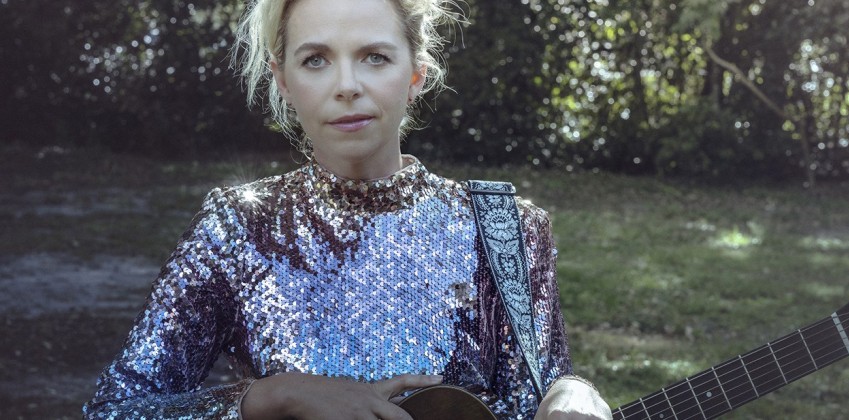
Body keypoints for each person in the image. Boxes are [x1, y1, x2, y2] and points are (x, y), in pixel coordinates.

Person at [83, 0, 613, 418]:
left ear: (416, 74)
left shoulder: (505, 228)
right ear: (284, 81)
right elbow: (117, 409)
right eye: (316, 60)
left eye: (374, 57)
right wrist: (277, 396)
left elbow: (538, 400)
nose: (346, 87)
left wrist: (573, 389)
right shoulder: (238, 227)